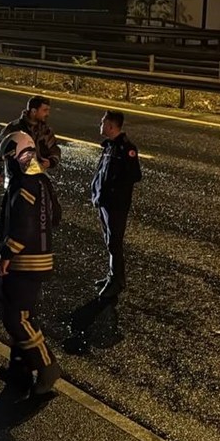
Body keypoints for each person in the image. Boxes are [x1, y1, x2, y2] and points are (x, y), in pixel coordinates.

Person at [0, 130, 62, 396]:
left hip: (26, 262)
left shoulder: (23, 184)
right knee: (19, 314)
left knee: (16, 319)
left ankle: (47, 366)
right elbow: (55, 216)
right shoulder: (41, 180)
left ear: (16, 156)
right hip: (40, 257)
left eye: (8, 158)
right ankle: (19, 369)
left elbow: (22, 227)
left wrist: (6, 256)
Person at [66, 110, 141, 350]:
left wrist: (111, 193)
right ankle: (113, 276)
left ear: (111, 125)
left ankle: (116, 280)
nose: (100, 124)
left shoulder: (125, 149)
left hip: (115, 205)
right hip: (105, 203)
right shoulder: (109, 146)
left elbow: (133, 176)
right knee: (109, 240)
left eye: (103, 122)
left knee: (114, 242)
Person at [0, 95, 61, 187]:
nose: (48, 114)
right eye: (45, 110)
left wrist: (50, 162)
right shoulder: (14, 128)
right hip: (15, 181)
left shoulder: (45, 130)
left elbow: (54, 149)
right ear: (34, 111)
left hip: (36, 179)